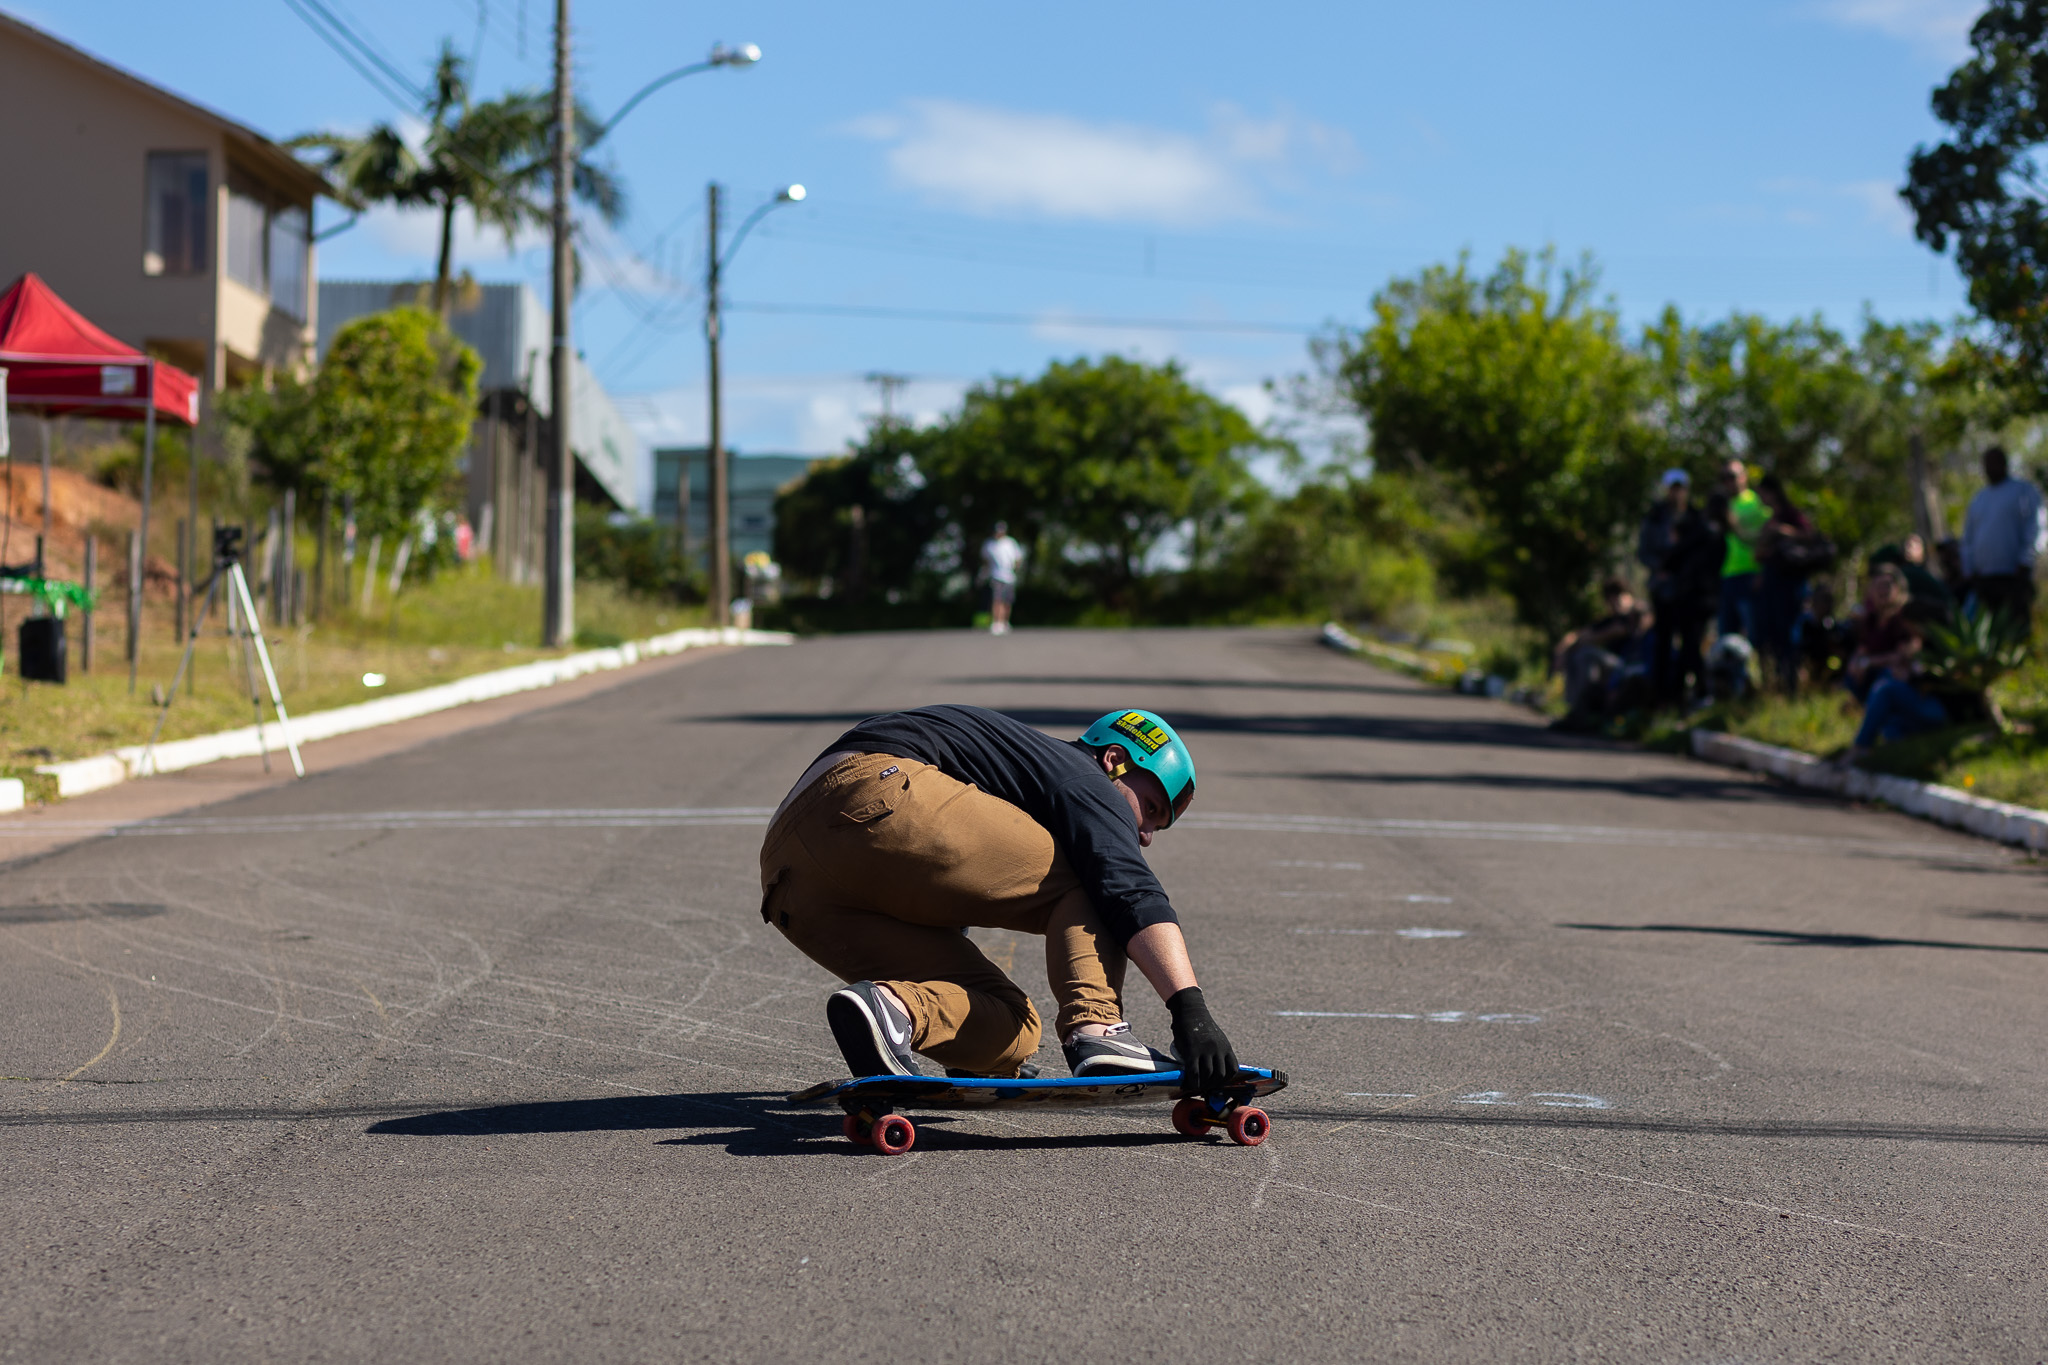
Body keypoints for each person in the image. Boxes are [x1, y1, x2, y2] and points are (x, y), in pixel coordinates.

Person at [757, 704, 1242, 1093]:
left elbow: (934, 873)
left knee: (1014, 1029)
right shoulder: (1084, 776)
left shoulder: (1016, 772)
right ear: (1115, 759)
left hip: (791, 876)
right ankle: (1098, 1031)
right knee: (1097, 870)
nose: (1146, 834)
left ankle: (891, 1010)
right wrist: (1189, 1012)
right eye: (1152, 808)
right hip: (876, 788)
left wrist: (976, 1061)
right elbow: (1128, 887)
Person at [1842, 564, 1949, 761]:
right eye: (1878, 586)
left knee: (1886, 686)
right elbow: (1865, 649)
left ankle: (1861, 746)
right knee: (1890, 712)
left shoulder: (1932, 645)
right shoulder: (1873, 620)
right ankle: (1889, 734)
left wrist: (1907, 670)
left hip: (1937, 710)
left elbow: (1912, 663)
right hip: (1917, 702)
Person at [1637, 469, 1718, 705]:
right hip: (1663, 590)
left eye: (1680, 487)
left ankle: (1681, 695)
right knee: (1662, 642)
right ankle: (1660, 698)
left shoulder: (1695, 517)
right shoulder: (1654, 516)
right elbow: (1644, 552)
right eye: (1673, 487)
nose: (1677, 492)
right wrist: (1659, 569)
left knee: (1689, 643)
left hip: (1689, 592)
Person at [1959, 445, 2046, 629]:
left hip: (2014, 575)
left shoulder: (2023, 491)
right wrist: (1970, 568)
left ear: (2005, 464)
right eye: (1987, 463)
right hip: (1984, 579)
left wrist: (2026, 561)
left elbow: (2036, 528)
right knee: (1989, 630)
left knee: (2016, 626)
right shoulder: (1979, 499)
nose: (1991, 467)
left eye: (1995, 462)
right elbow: (1968, 538)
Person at [1550, 577, 1651, 728]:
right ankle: (1576, 709)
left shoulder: (1637, 613)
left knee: (1586, 654)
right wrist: (1561, 650)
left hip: (1631, 666)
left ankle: (1580, 712)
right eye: (1611, 599)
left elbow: (1616, 631)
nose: (1615, 602)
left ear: (1628, 595)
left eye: (1618, 596)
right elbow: (1577, 634)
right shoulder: (1611, 619)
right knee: (1577, 655)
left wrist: (1585, 640)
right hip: (1614, 667)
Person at [1754, 475, 1820, 692]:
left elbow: (1810, 536)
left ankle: (1792, 684)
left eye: (1762, 492)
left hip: (1791, 585)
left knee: (1791, 632)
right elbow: (1760, 554)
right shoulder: (1769, 518)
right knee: (1772, 634)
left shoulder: (1791, 514)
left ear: (1771, 492)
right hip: (1772, 584)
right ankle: (1778, 684)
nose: (1760, 497)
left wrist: (1782, 531)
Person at [1715, 459, 1769, 642]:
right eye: (1724, 478)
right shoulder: (1723, 504)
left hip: (1751, 574)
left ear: (1743, 476)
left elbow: (1764, 537)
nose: (1728, 482)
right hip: (1728, 574)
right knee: (1726, 635)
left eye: (1732, 476)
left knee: (1754, 634)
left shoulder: (1756, 502)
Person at [981, 521, 1026, 635]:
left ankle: (1005, 622)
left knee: (1007, 601)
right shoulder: (989, 544)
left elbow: (1018, 558)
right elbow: (985, 560)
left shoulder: (1011, 543)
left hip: (1009, 577)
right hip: (996, 576)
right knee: (997, 599)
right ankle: (997, 622)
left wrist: (1015, 569)